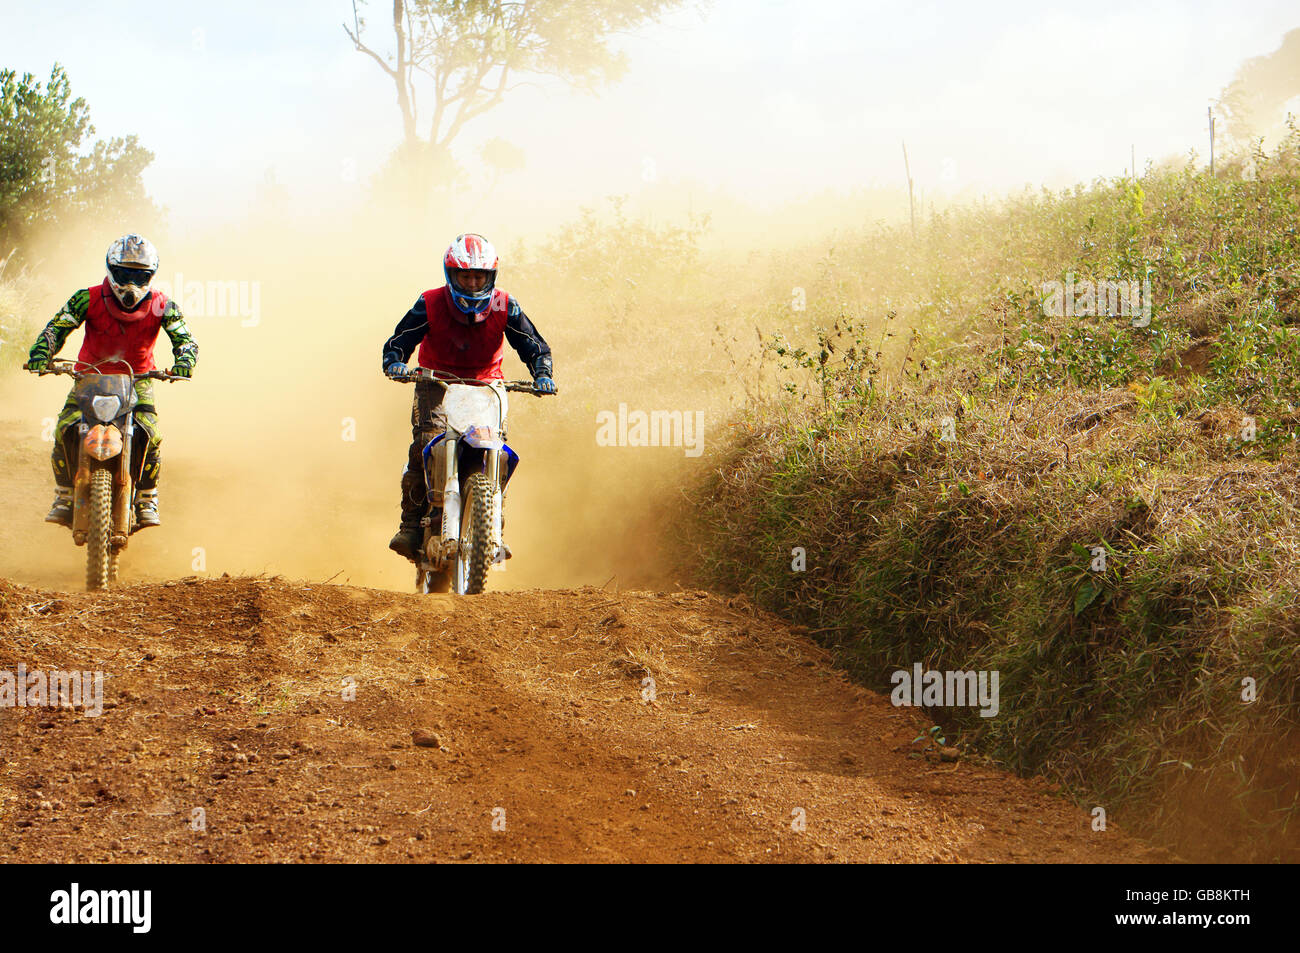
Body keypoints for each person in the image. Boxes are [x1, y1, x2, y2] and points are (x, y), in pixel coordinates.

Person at [381, 233, 555, 561]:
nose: (473, 283)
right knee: (425, 445)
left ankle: (492, 528)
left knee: (496, 452)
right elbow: (399, 340)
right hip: (436, 382)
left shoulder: (505, 304)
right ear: (452, 275)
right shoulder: (430, 302)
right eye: (465, 275)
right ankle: (411, 525)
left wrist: (542, 373)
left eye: (479, 276)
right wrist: (395, 363)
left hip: (487, 386)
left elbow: (533, 345)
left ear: (491, 277)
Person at [26, 234, 198, 528]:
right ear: (110, 270)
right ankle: (64, 494)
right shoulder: (87, 297)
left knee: (150, 433)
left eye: (139, 276)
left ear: (150, 276)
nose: (131, 284)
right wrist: (42, 353)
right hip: (88, 376)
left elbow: (185, 339)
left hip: (139, 379)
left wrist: (184, 362)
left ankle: (147, 497)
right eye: (124, 274)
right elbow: (56, 328)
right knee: (64, 428)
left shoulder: (163, 305)